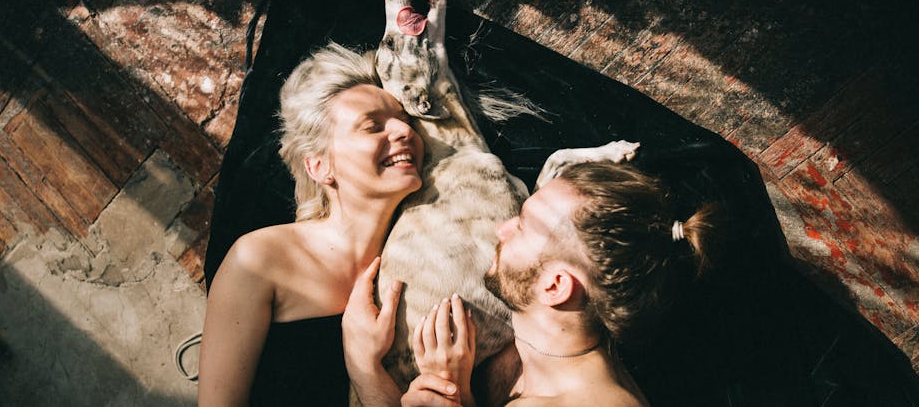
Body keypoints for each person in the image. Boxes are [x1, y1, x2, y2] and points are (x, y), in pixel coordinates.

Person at [198, 43, 424, 406]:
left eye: (406, 120)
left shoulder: (425, 260)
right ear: (320, 166)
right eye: (372, 127)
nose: (403, 130)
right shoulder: (259, 261)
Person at [402, 161, 722, 407]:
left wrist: (363, 363)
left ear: (555, 286)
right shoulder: (550, 361)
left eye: (523, 227)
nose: (503, 229)